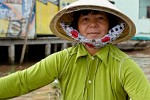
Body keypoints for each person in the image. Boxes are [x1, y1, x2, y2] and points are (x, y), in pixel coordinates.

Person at [0, 0, 150, 99]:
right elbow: (23, 82)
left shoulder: (124, 65)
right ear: (76, 27)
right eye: (85, 19)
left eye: (100, 18)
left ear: (110, 26)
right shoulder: (63, 59)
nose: (92, 24)